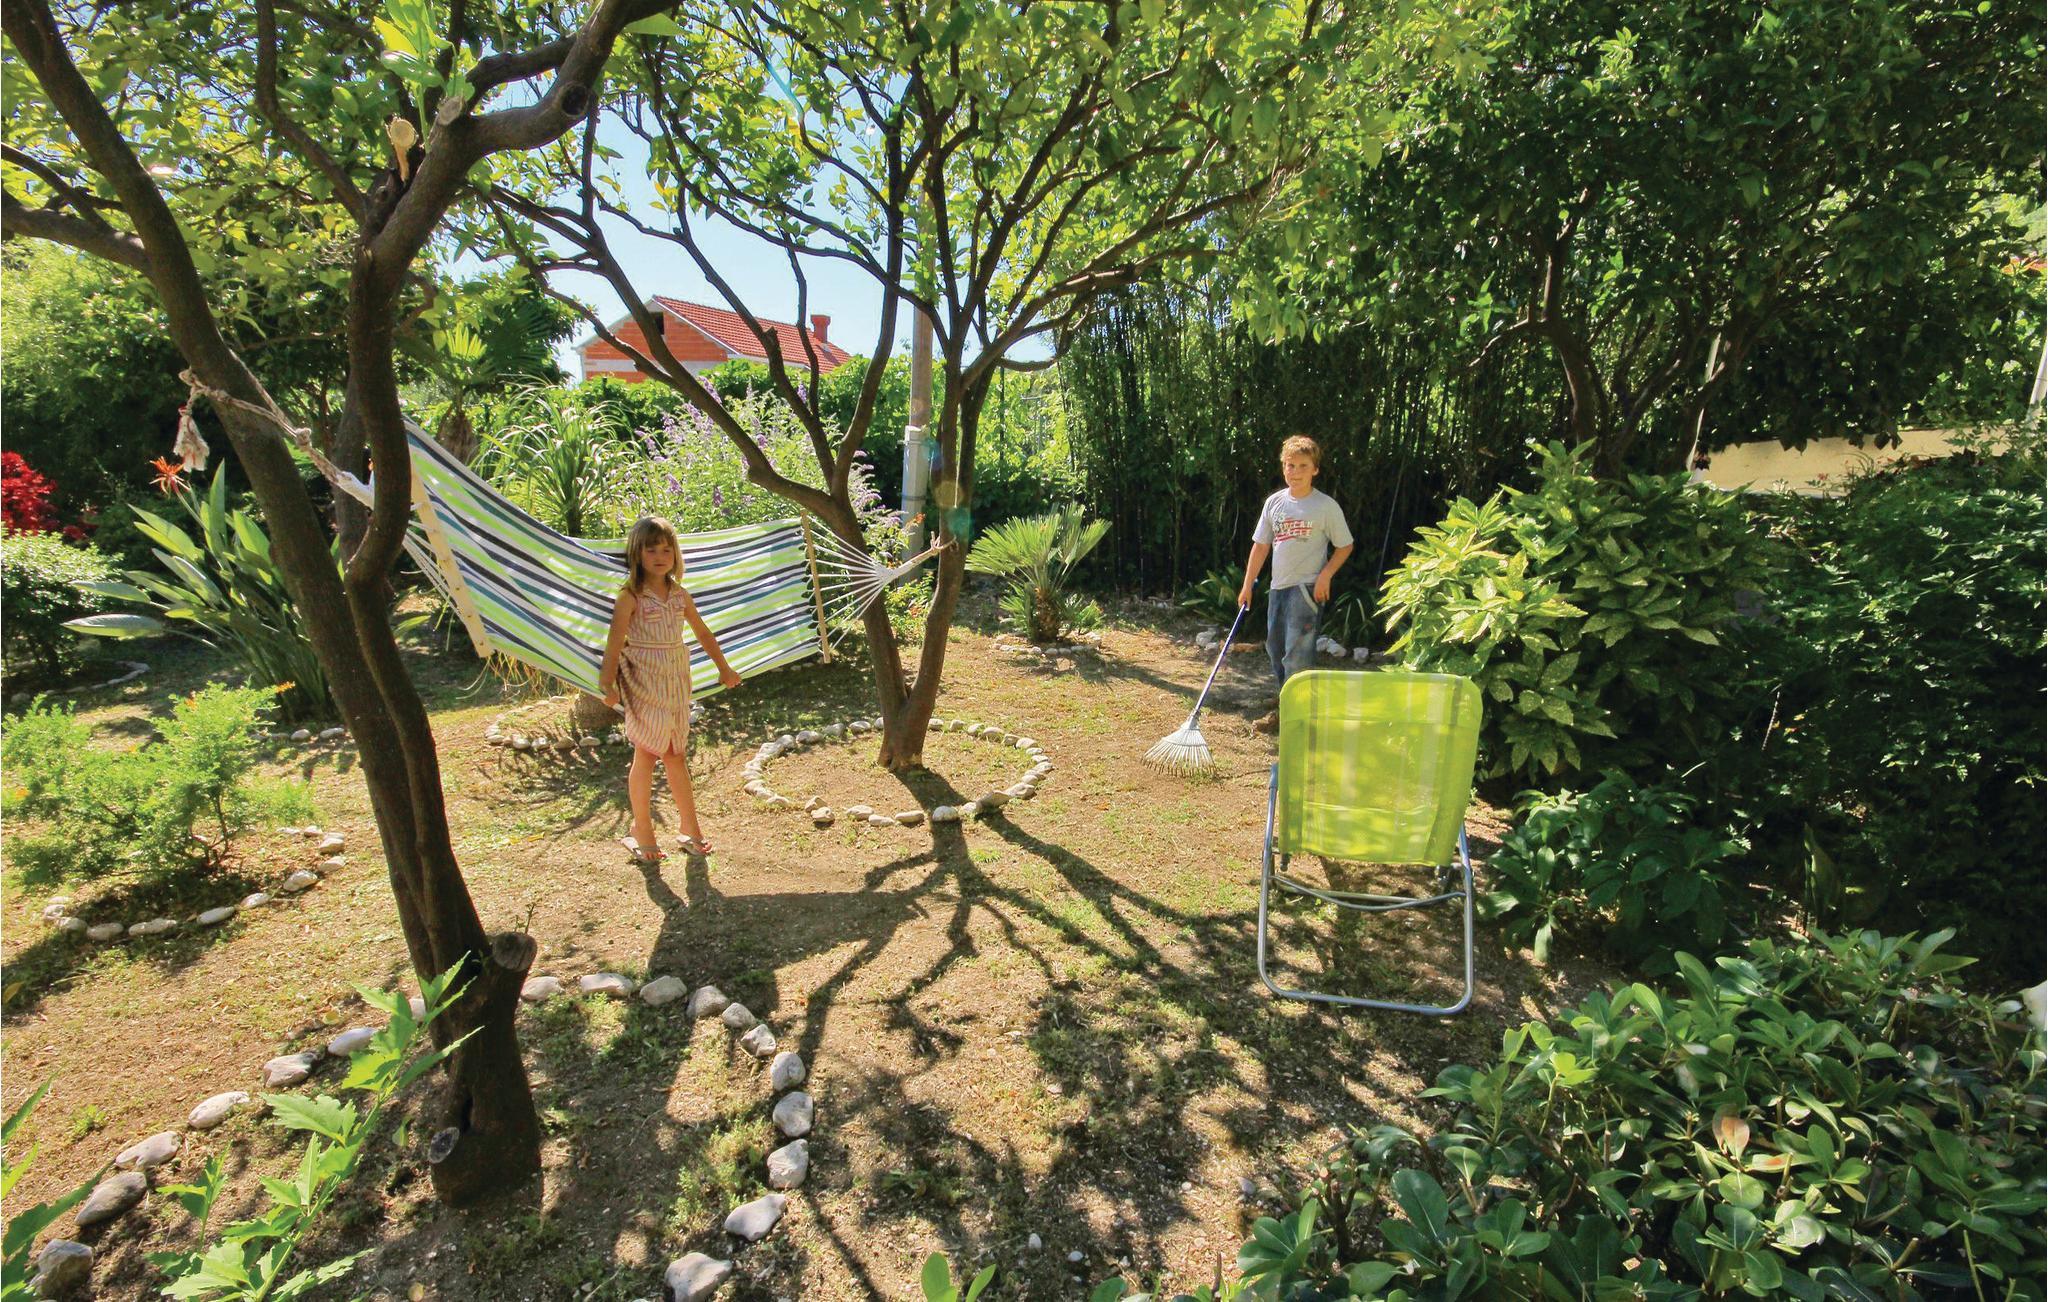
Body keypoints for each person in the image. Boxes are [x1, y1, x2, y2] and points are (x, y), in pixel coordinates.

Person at [599, 516, 743, 861]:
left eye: (667, 550)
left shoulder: (679, 595)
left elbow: (703, 632)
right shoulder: (631, 596)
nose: (660, 556)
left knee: (675, 753)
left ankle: (690, 828)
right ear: (637, 553)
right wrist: (606, 683)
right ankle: (642, 829)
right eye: (651, 550)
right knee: (647, 752)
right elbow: (615, 640)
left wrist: (724, 668)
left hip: (676, 681)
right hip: (643, 680)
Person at [1237, 435, 1354, 733]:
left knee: (1297, 656)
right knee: (1275, 649)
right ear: (1283, 467)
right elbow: (1261, 546)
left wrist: (1325, 575)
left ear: (1315, 469)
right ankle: (1288, 700)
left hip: (1306, 591)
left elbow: (1345, 546)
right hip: (1278, 589)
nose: (1296, 471)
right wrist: (1247, 585)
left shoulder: (1325, 506)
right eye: (1290, 465)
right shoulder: (1274, 503)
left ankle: (1294, 718)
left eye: (1303, 466)